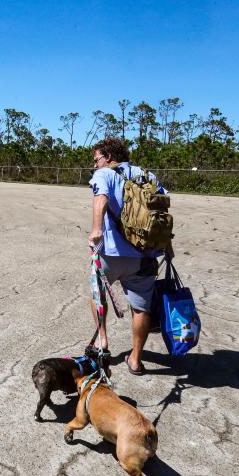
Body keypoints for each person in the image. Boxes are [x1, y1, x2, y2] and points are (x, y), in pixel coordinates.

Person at [87, 137, 172, 376]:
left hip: (110, 254)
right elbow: (162, 212)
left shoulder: (105, 174)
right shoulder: (148, 176)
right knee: (141, 309)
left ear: (109, 157)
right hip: (144, 255)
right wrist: (167, 246)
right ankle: (135, 360)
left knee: (97, 295)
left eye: (97, 159)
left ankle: (102, 340)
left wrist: (96, 230)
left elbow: (100, 198)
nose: (95, 165)